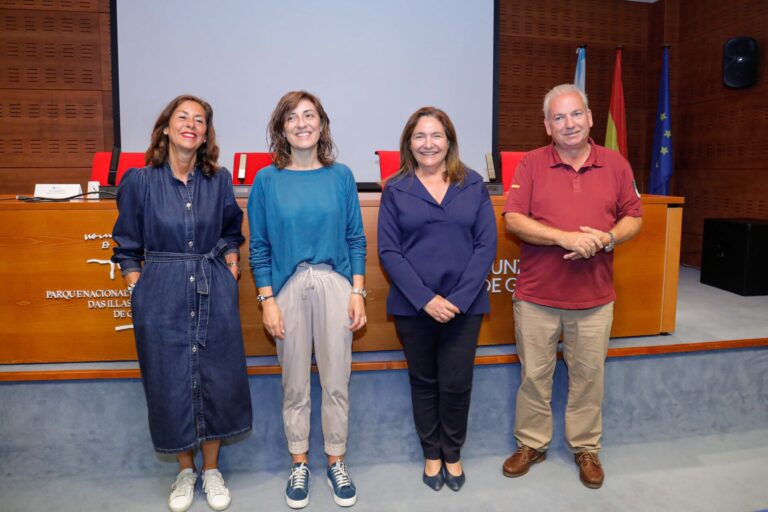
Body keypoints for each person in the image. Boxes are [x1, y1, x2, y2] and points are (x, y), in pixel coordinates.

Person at [112, 95, 252, 512]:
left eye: (200, 120)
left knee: (214, 376)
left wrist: (229, 259)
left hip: (211, 286)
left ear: (206, 133)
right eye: (183, 117)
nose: (191, 125)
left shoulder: (219, 179)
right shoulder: (140, 181)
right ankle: (184, 471)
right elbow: (126, 244)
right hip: (161, 290)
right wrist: (138, 285)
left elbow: (231, 229)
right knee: (170, 379)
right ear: (166, 128)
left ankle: (211, 470)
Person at [501, 84, 643, 489]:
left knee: (588, 376)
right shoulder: (530, 164)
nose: (569, 124)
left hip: (594, 299)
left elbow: (634, 217)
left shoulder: (617, 164)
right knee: (534, 376)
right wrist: (564, 237)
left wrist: (607, 238)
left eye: (575, 114)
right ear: (547, 125)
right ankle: (531, 444)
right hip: (536, 296)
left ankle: (585, 447)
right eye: (559, 117)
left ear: (591, 117)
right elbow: (513, 219)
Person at [247, 91, 366, 509]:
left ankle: (335, 462)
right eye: (292, 117)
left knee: (337, 382)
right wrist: (267, 300)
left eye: (309, 115)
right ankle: (299, 463)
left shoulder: (341, 176)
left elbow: (355, 238)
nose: (302, 123)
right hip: (288, 289)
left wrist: (357, 291)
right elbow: (258, 245)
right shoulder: (266, 180)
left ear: (322, 123)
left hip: (336, 285)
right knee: (294, 382)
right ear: (281, 128)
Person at [378, 107, 497, 492]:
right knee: (424, 381)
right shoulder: (396, 188)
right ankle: (432, 453)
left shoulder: (474, 185)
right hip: (415, 307)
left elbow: (485, 245)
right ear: (408, 144)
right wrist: (426, 299)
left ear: (449, 141)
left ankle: (453, 453)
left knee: (457, 383)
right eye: (420, 136)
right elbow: (389, 251)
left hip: (465, 307)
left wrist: (458, 300)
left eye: (436, 136)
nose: (428, 144)